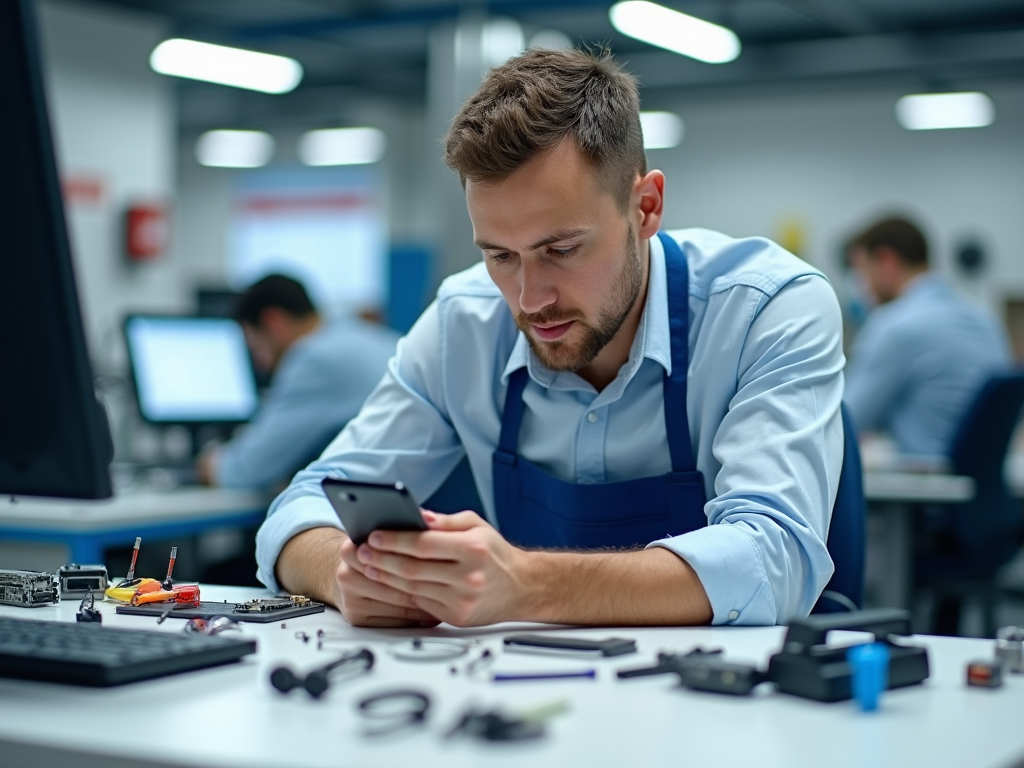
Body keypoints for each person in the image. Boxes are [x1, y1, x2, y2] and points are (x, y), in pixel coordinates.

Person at [256, 48, 845, 629]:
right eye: (500, 256)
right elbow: (303, 507)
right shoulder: (462, 323)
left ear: (645, 207)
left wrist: (527, 584)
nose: (530, 298)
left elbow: (775, 557)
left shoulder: (765, 310)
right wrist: (345, 574)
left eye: (560, 251)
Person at [197, 274, 399, 490]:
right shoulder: (366, 335)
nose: (260, 364)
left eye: (256, 348)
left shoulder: (314, 358)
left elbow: (245, 472)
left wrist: (210, 462)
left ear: (274, 323)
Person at [844, 217, 1011, 457]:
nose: (861, 287)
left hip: (927, 488)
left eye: (861, 272)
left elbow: (846, 422)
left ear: (886, 262)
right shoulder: (987, 321)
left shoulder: (893, 324)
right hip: (987, 487)